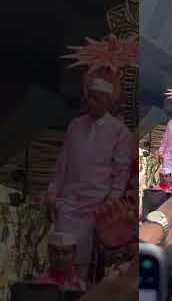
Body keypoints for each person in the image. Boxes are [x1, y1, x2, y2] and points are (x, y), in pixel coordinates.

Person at [46, 75, 132, 280]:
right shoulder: (75, 125)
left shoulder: (119, 131)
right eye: (89, 97)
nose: (89, 102)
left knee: (82, 266)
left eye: (95, 98)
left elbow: (121, 171)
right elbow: (62, 164)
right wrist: (52, 193)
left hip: (95, 208)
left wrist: (110, 202)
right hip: (68, 204)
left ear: (107, 101)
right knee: (60, 260)